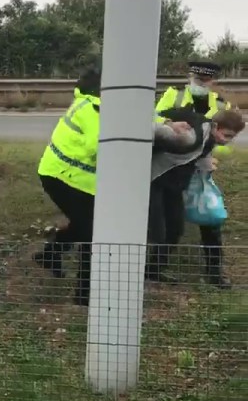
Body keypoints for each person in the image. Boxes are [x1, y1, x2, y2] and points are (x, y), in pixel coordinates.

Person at [35, 70, 194, 305]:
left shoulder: (109, 106)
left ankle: (50, 255)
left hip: (81, 180)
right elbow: (100, 142)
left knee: (85, 225)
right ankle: (84, 295)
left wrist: (167, 124)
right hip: (61, 177)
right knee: (92, 232)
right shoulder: (91, 108)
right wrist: (150, 134)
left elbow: (135, 116)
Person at [147, 108, 244, 287]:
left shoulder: (209, 138)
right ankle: (136, 270)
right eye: (226, 135)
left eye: (231, 137)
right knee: (156, 231)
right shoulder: (190, 136)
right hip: (154, 180)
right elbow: (153, 130)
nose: (226, 140)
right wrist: (168, 124)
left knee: (174, 230)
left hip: (174, 185)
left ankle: (154, 269)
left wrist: (206, 168)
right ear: (215, 126)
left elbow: (202, 155)